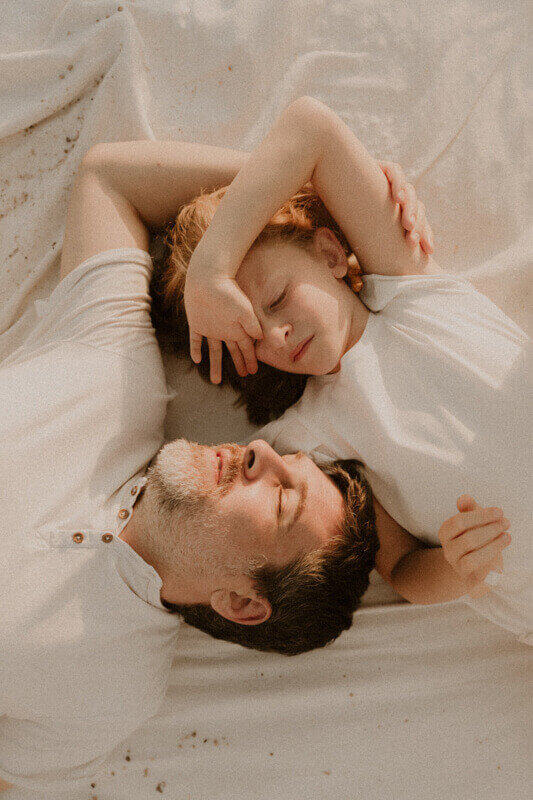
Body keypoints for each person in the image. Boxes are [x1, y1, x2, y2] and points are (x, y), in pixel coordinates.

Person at [2, 134, 489, 794]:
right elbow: (109, 177)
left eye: (281, 498)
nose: (261, 450)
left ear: (240, 602)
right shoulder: (114, 378)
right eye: (287, 461)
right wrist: (324, 192)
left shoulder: (109, 690)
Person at [162, 97, 530, 643]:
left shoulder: (410, 292)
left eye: (280, 297)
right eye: (250, 336)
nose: (278, 334)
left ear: (331, 253)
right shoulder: (307, 439)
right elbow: (403, 570)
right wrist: (456, 568)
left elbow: (311, 127)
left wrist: (211, 271)